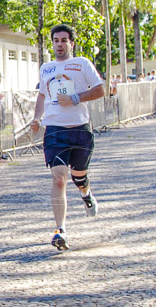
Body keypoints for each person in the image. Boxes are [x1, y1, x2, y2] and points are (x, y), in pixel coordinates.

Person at [30, 24, 106, 251]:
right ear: (52, 43)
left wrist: (75, 98)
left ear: (71, 43)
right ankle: (60, 229)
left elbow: (100, 90)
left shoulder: (82, 63)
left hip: (80, 129)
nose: (59, 44)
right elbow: (43, 95)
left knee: (78, 176)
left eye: (64, 40)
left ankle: (86, 192)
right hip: (54, 130)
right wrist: (36, 118)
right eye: (56, 40)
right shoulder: (46, 68)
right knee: (59, 178)